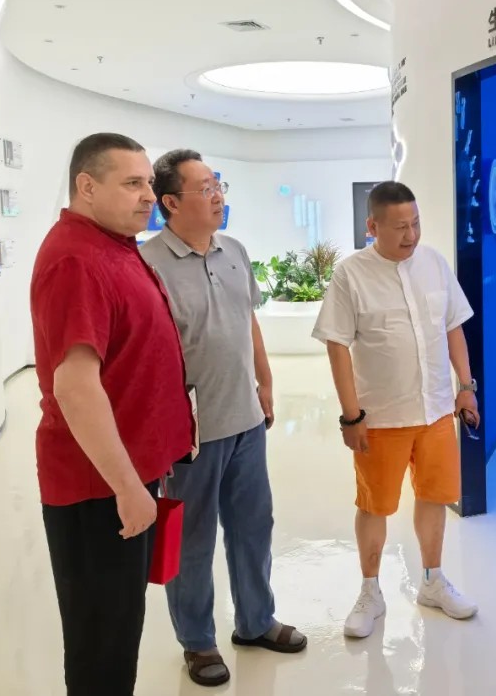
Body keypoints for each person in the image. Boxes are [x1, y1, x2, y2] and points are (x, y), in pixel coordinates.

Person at [30, 133, 195, 696]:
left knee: (119, 627)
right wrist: (127, 487)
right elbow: (75, 387)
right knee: (102, 639)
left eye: (149, 182)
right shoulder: (76, 260)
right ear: (87, 186)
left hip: (124, 475)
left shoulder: (113, 246)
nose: (148, 194)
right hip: (98, 487)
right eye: (131, 183)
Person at [140, 149, 307, 687]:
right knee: (192, 540)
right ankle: (197, 641)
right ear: (170, 203)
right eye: (206, 188)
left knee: (254, 527)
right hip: (188, 434)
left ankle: (256, 622)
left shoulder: (233, 249)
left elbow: (247, 321)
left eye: (218, 186)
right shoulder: (147, 264)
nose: (218, 197)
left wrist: (266, 382)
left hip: (245, 421)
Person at [312, 180, 481, 639]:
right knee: (375, 506)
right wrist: (351, 415)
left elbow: (453, 328)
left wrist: (466, 387)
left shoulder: (434, 263)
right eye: (400, 227)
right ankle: (370, 592)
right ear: (372, 226)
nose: (412, 235)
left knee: (435, 497)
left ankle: (433, 581)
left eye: (416, 223)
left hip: (436, 411)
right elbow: (337, 345)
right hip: (381, 418)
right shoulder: (351, 275)